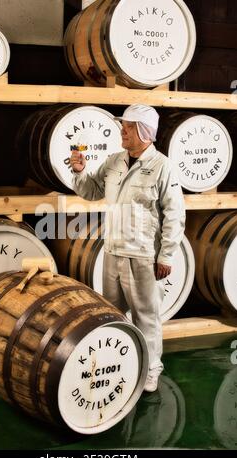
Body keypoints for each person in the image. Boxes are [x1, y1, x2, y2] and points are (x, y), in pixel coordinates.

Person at [70, 104, 185, 392]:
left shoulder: (162, 167)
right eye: (123, 125)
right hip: (113, 251)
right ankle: (118, 362)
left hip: (144, 255)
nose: (122, 130)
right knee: (113, 313)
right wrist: (80, 171)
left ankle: (151, 369)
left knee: (147, 316)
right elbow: (91, 191)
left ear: (145, 132)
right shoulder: (114, 161)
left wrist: (167, 254)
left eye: (129, 126)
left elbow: (174, 213)